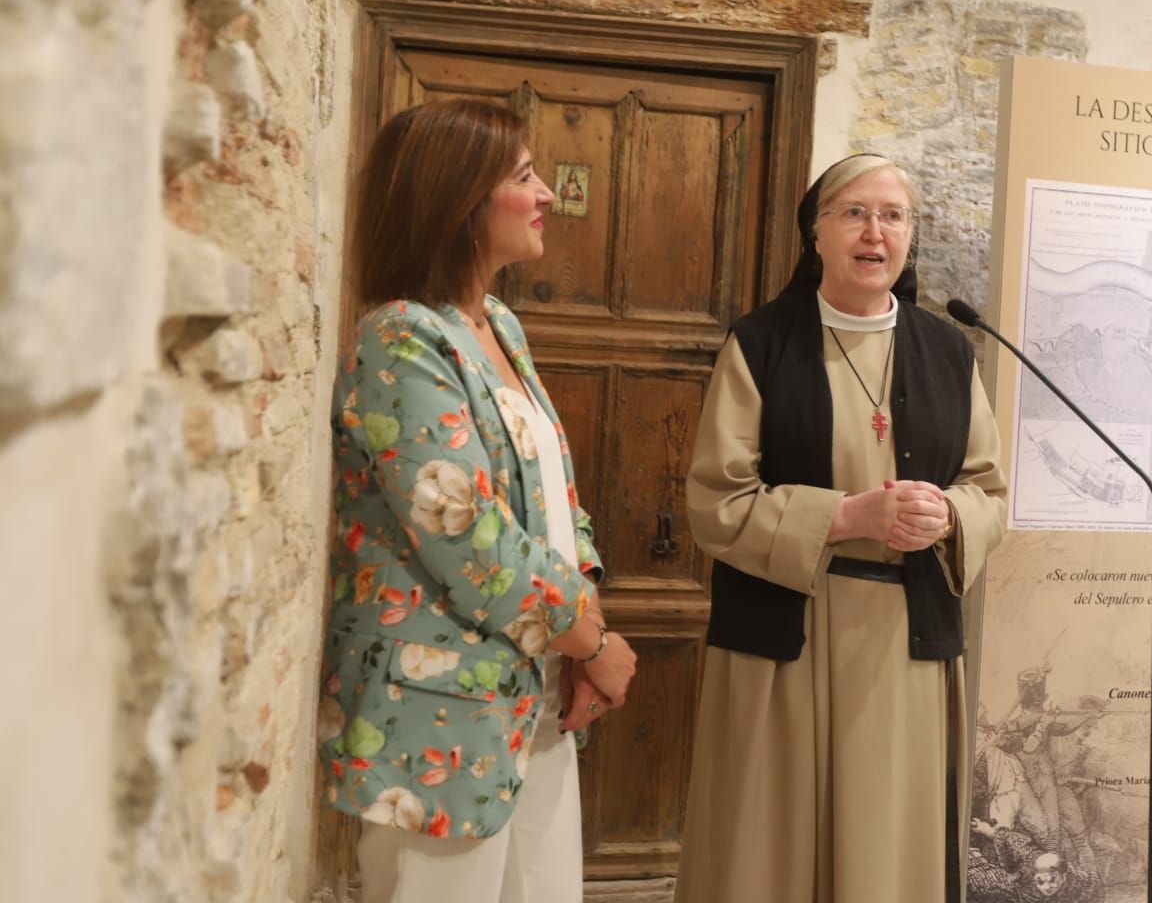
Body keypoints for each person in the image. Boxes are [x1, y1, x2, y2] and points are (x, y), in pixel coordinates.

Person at [318, 98, 637, 903]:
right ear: (460, 202)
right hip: (438, 711)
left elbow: (551, 494)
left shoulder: (495, 321)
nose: (547, 196)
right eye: (525, 176)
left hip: (531, 685)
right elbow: (466, 532)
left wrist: (580, 626)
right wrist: (589, 640)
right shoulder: (400, 338)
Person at [673, 153, 1008, 903]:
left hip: (905, 645)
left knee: (887, 854)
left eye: (893, 216)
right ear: (815, 233)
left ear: (909, 238)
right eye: (853, 212)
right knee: (770, 854)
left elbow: (987, 488)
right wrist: (843, 517)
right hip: (786, 641)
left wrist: (948, 514)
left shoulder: (950, 352)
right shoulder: (761, 344)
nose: (874, 232)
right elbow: (715, 501)